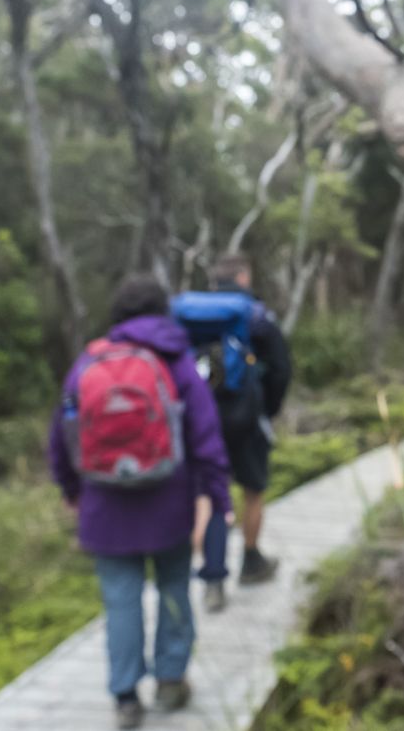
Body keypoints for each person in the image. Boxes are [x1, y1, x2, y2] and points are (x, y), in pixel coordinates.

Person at [48, 274, 232, 730]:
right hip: (169, 502)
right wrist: (217, 493)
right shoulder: (177, 362)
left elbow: (61, 436)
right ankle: (170, 681)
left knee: (121, 601)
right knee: (173, 587)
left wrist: (71, 489)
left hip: (103, 506)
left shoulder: (88, 363)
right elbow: (206, 437)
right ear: (162, 312)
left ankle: (126, 697)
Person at [179, 253, 291, 611]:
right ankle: (251, 561)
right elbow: (282, 367)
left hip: (200, 420)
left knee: (212, 495)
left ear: (213, 281)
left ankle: (213, 580)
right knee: (253, 490)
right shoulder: (254, 315)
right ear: (243, 277)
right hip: (247, 417)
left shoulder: (188, 315)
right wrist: (268, 409)